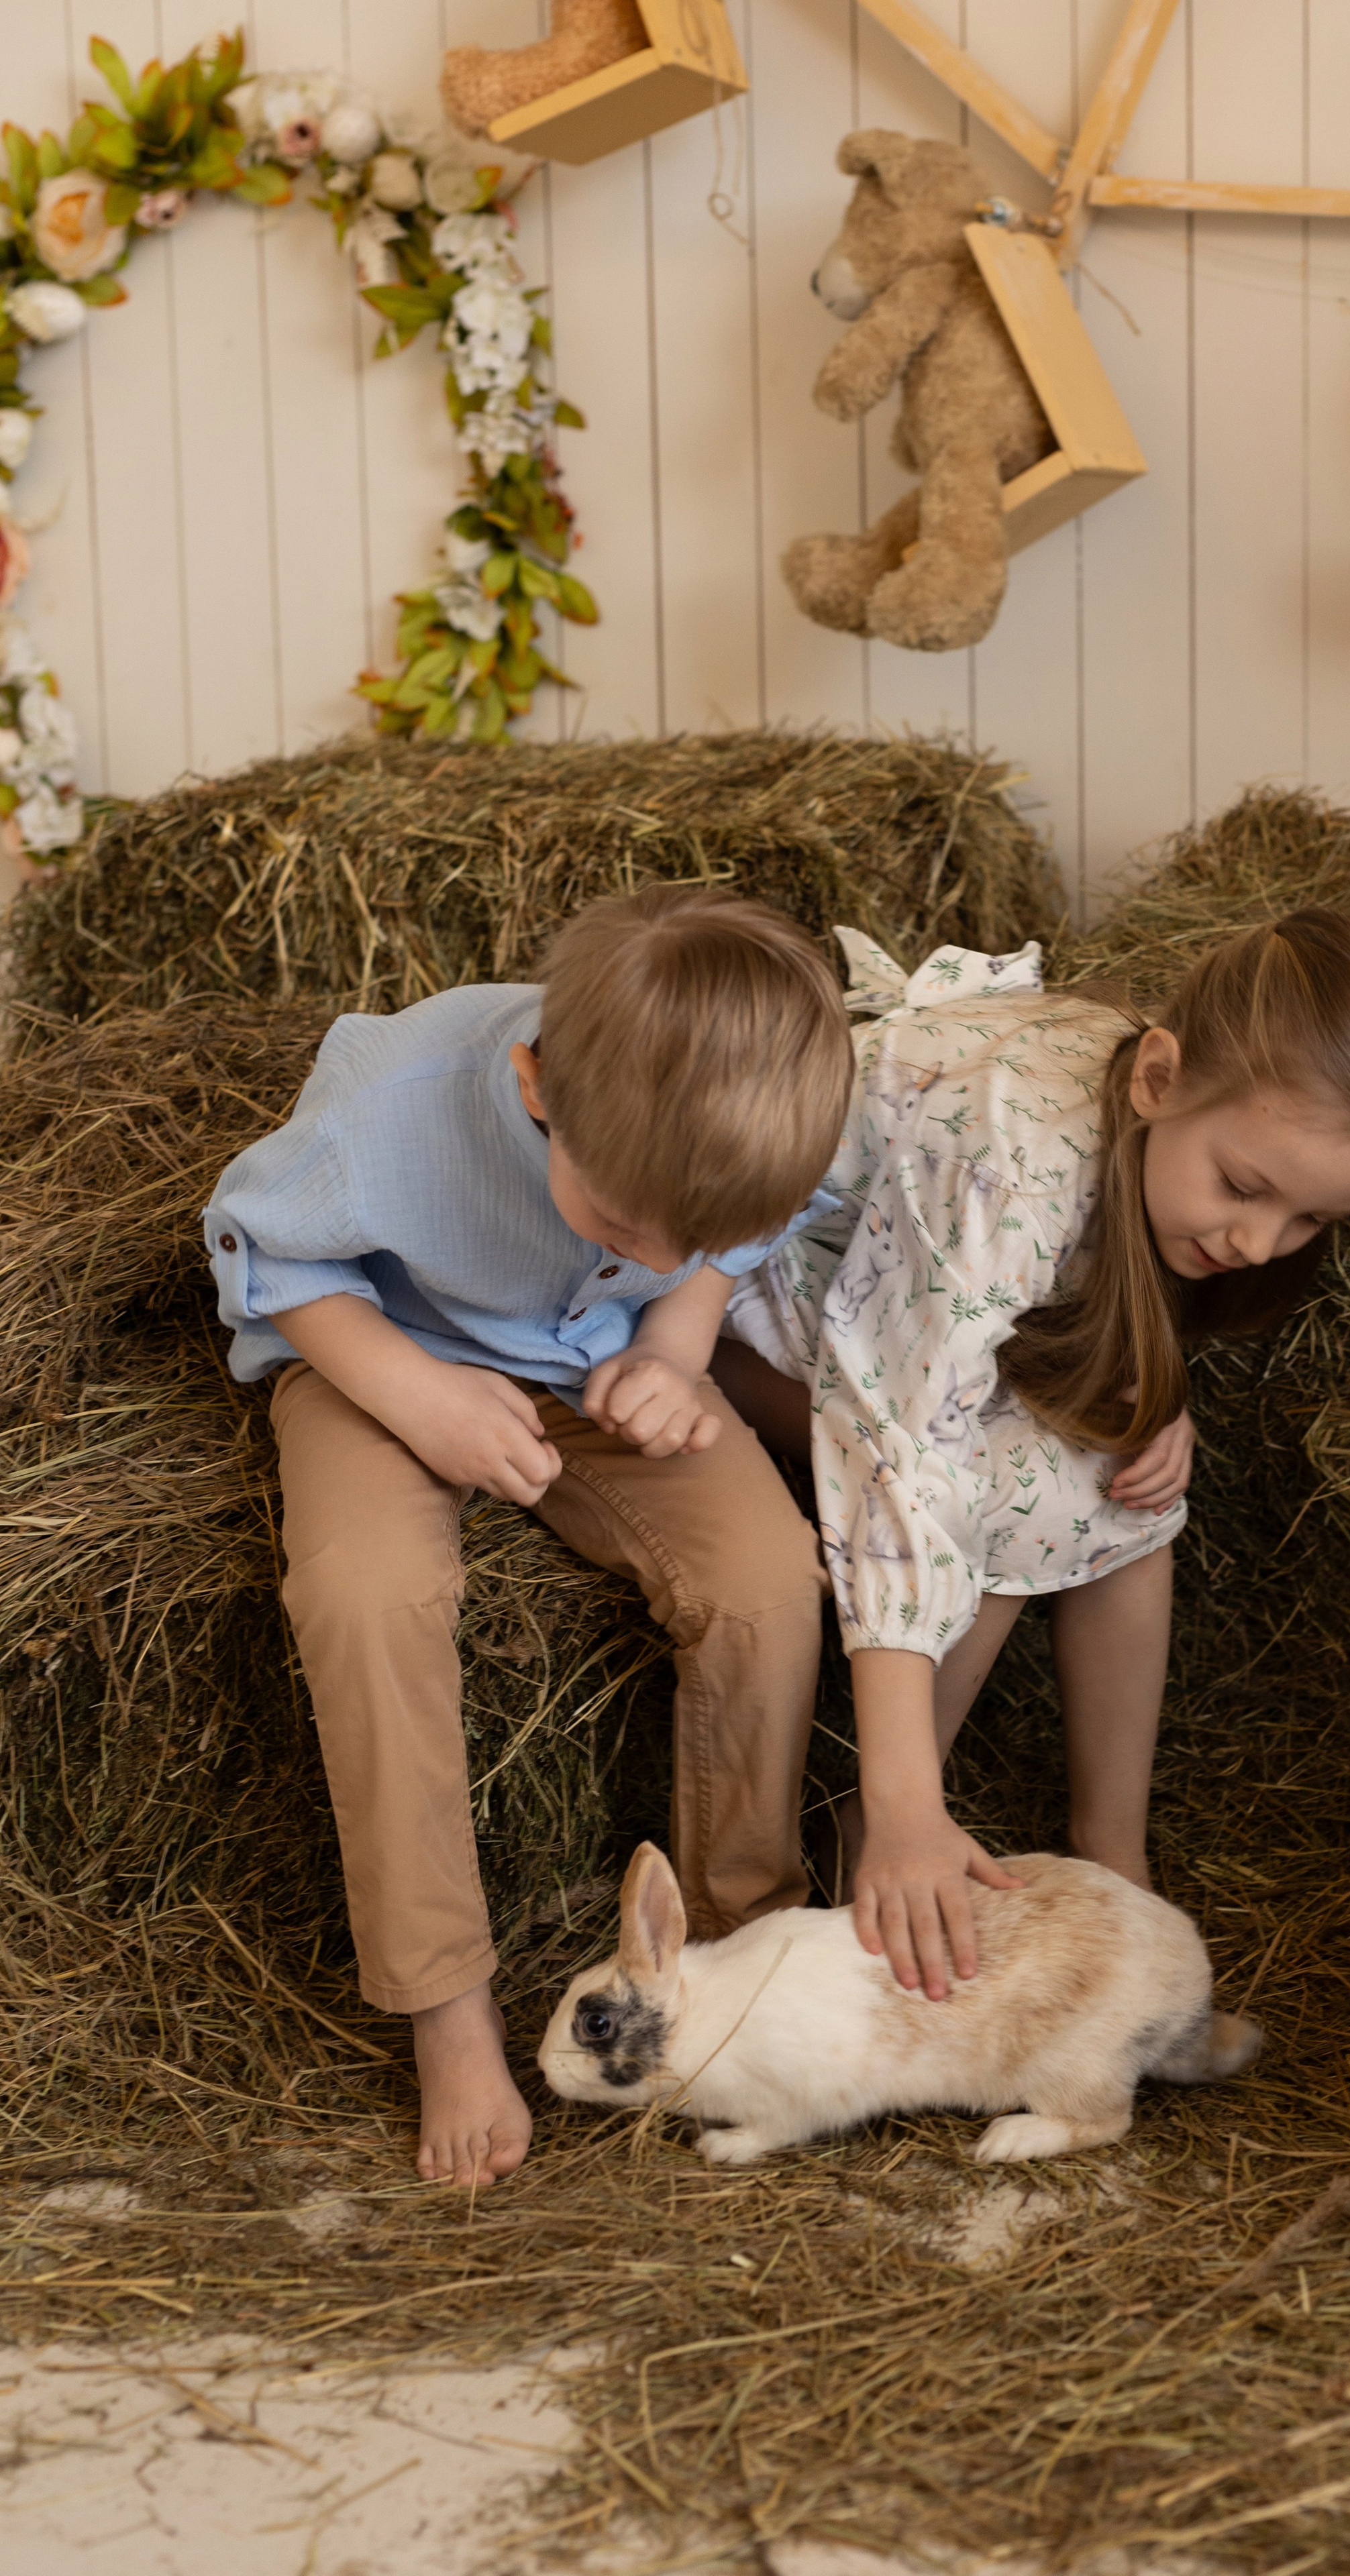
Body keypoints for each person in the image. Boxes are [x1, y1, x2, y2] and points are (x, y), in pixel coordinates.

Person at [203, 884, 853, 2189]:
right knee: (362, 1594)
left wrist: (675, 1332)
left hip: (610, 1369)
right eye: (624, 1227)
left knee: (770, 1580)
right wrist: (415, 1397)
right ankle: (446, 2009)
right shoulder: (390, 1108)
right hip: (382, 1358)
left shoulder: (756, 1133)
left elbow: (744, 1238)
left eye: (697, 1236)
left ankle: (739, 1948)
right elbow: (260, 1256)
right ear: (535, 1087)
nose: (665, 1248)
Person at [715, 908, 1350, 2002]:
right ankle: (880, 1823)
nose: (1257, 1246)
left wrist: (1145, 1388)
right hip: (745, 1290)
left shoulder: (1161, 1121)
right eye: (1246, 1190)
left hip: (913, 1292)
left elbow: (1069, 1278)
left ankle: (1117, 1857)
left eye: (1312, 1220)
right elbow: (900, 1448)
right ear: (1156, 1077)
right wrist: (911, 1798)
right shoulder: (1011, 1157)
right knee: (1014, 1486)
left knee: (1123, 1487)